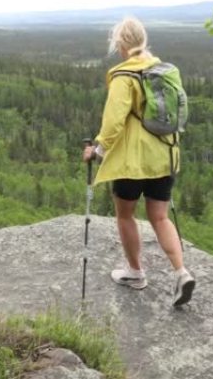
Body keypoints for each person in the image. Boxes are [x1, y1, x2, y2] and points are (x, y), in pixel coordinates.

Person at [82, 16, 196, 307]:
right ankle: (181, 273)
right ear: (144, 40)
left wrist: (97, 150)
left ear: (120, 44)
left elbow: (113, 123)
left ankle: (135, 273)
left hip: (132, 161)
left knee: (125, 214)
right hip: (165, 156)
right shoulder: (166, 71)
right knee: (159, 217)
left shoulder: (124, 76)